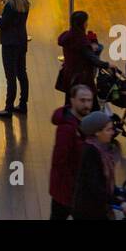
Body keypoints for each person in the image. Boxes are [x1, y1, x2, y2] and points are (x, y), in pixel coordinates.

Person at [72, 112, 126, 221]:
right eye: (108, 129)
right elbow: (95, 187)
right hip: (88, 211)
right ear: (97, 132)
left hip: (96, 207)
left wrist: (118, 194)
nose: (112, 132)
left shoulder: (101, 149)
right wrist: (120, 203)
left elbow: (104, 182)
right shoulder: (90, 152)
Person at [48, 84, 95, 220]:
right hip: (67, 191)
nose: (86, 104)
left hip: (74, 190)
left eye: (89, 100)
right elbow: (59, 162)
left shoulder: (85, 123)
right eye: (82, 100)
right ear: (72, 100)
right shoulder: (66, 129)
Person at [0, 0, 30, 118]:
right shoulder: (25, 2)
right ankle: (23, 104)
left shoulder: (10, 6)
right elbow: (15, 19)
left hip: (9, 44)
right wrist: (4, 1)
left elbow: (3, 24)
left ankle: (8, 108)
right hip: (21, 42)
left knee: (10, 77)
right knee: (22, 74)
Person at [57, 11, 104, 103]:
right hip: (82, 78)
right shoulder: (81, 40)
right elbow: (92, 58)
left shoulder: (68, 36)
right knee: (93, 105)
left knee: (69, 104)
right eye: (86, 22)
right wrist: (107, 65)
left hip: (69, 76)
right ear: (82, 24)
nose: (87, 24)